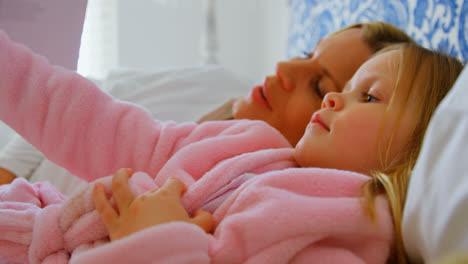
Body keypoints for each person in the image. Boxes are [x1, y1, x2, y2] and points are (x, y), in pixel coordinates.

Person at [0, 26, 462, 262]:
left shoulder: (350, 226)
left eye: (367, 95)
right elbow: (95, 122)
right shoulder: (243, 141)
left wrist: (158, 244)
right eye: (305, 54)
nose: (337, 98)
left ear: (418, 155)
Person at [0, 21, 415, 189]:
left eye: (318, 83)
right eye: (306, 53)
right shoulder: (217, 80)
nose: (284, 67)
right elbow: (89, 93)